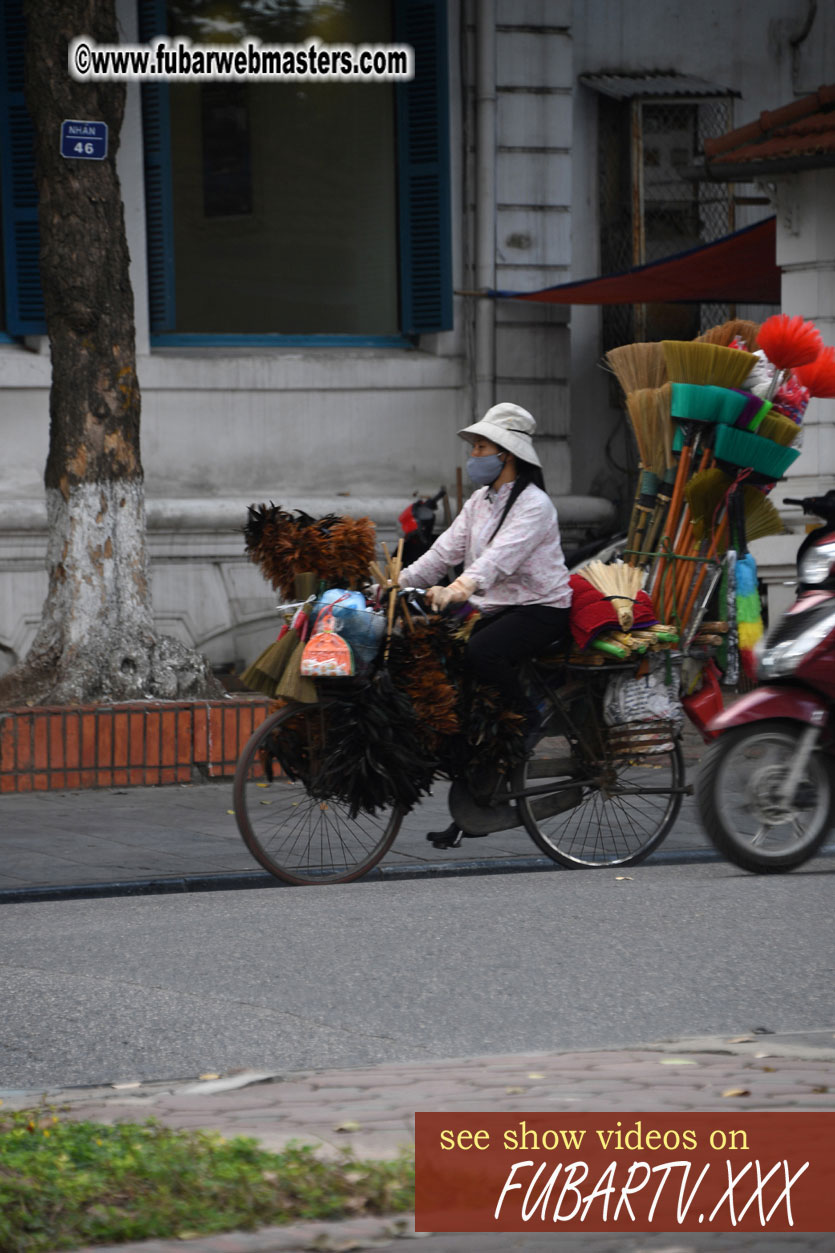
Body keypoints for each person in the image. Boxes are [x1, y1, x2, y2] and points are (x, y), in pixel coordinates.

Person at [398, 401, 572, 747]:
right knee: (440, 648)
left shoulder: (534, 505)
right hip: (494, 603)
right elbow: (442, 552)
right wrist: (394, 584)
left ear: (506, 454)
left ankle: (527, 720)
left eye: (481, 447)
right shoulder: (479, 500)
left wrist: (458, 588)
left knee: (481, 651)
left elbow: (496, 559)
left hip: (540, 608)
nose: (473, 454)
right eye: (474, 447)